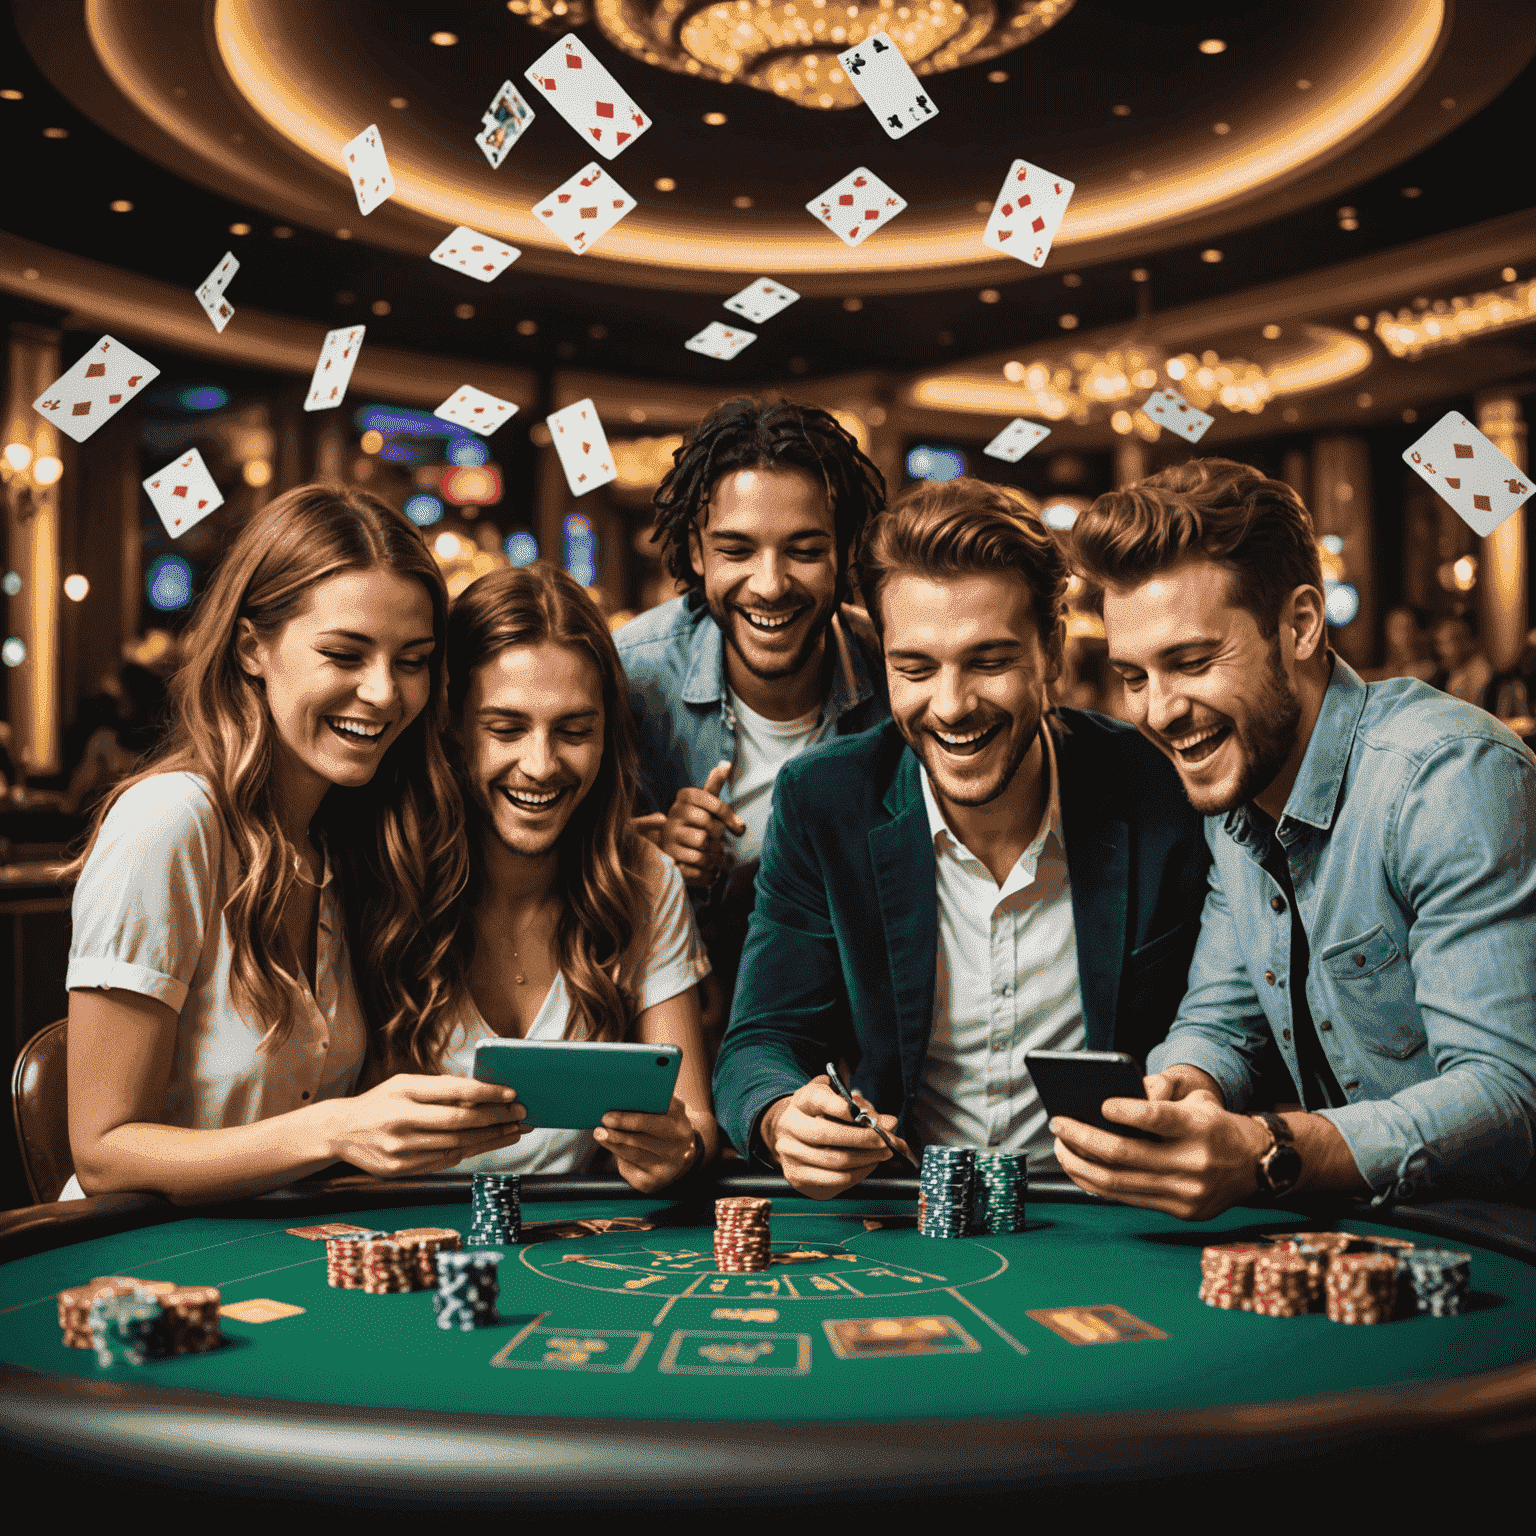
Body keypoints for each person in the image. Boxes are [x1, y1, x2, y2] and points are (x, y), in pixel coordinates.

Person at [1055, 458, 1536, 1219]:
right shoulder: (1236, 793)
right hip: (1386, 1233)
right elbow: (1222, 1018)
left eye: (1192, 661)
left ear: (1301, 626)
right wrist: (1185, 1087)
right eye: (1134, 675)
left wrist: (1268, 1151)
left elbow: (1508, 1099)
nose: (1159, 711)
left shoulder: (1447, 778)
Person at [711, 478, 1212, 1196]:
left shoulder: (1160, 789)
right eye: (914, 668)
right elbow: (759, 1044)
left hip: (1114, 1207)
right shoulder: (825, 801)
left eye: (988, 662)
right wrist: (782, 1115)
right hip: (907, 1210)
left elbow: (1230, 1017)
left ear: (1052, 655)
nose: (949, 707)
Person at [63, 485, 527, 1203]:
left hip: (274, 1257)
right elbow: (103, 1152)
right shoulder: (169, 822)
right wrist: (336, 1131)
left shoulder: (338, 838)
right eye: (345, 654)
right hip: (137, 1267)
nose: (383, 692)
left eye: (412, 661)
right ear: (253, 647)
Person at [405, 564, 718, 1191]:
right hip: (387, 1240)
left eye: (575, 731)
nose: (542, 765)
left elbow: (698, 1128)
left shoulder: (644, 879)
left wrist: (674, 1153)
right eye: (507, 728)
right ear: (452, 727)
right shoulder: (389, 869)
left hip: (569, 1248)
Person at [615, 397, 891, 1041]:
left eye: (803, 549)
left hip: (847, 1034)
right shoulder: (630, 679)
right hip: (668, 1038)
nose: (769, 584)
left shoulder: (899, 676)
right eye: (737, 549)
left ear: (844, 550)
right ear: (697, 551)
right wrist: (641, 860)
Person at [1431, 614, 1494, 710]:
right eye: (1439, 644)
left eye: (1446, 643)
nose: (1440, 651)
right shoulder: (1444, 675)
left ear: (1463, 642)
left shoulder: (1482, 672)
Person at [1367, 605, 1435, 684]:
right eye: (1396, 629)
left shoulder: (1427, 668)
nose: (1403, 635)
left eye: (1406, 628)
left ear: (1416, 632)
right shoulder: (1388, 669)